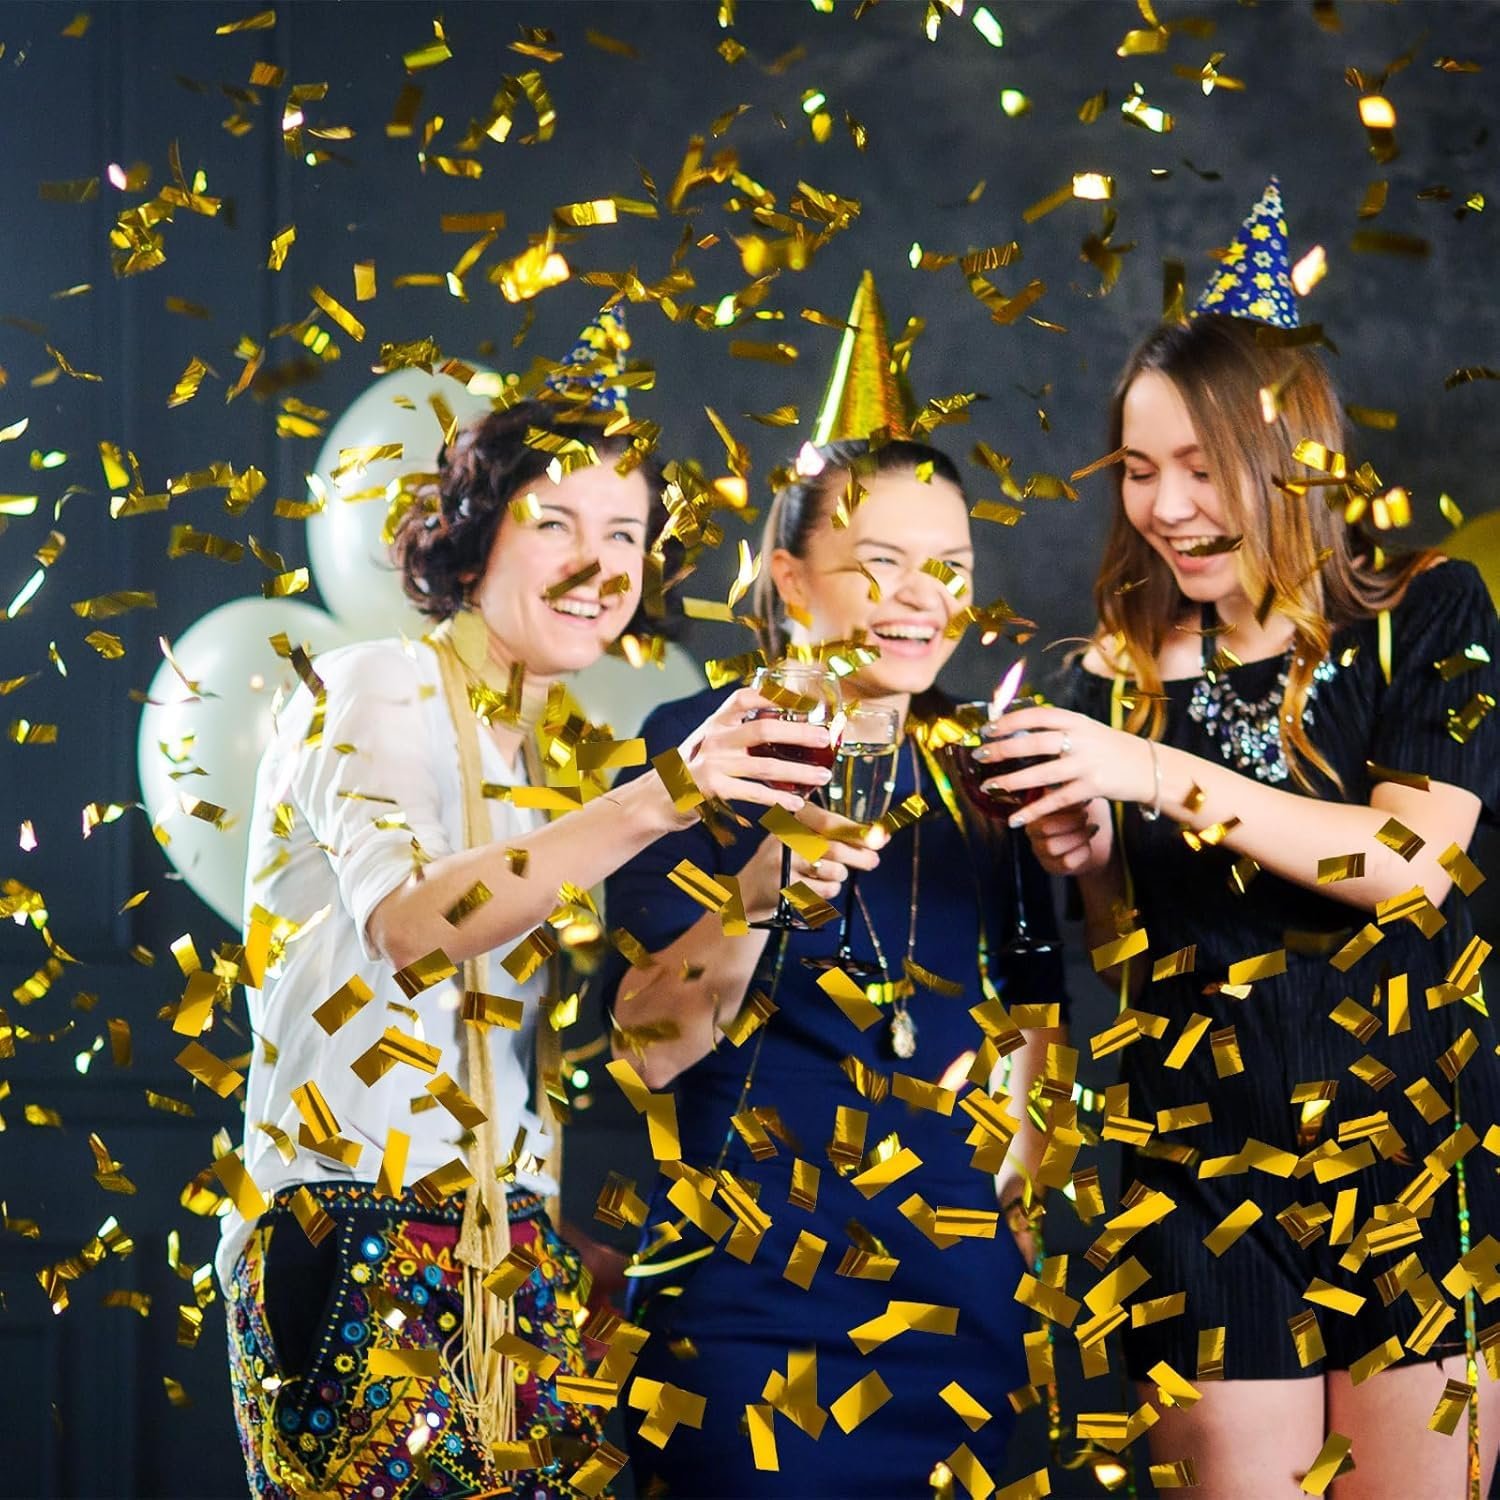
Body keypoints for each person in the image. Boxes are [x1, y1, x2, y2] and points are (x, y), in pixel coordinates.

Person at [216, 311, 837, 1500]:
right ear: (472, 540)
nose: (597, 564)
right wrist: (666, 794)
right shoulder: (375, 683)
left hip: (515, 1260)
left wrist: (549, 1236)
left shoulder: (551, 759)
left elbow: (566, 1043)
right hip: (353, 1234)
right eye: (555, 523)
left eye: (625, 533)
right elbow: (409, 927)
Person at [982, 184, 1500, 1497]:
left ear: (1292, 456)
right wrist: (1086, 856)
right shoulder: (1111, 677)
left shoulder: (1431, 614)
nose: (1165, 506)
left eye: (1202, 467)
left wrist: (1151, 774)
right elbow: (1124, 955)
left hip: (1408, 1163)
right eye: (1139, 468)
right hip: (1197, 1182)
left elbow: (1407, 864)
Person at [600, 273, 1068, 1497]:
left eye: (951, 566)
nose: (925, 599)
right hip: (750, 1309)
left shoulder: (986, 770)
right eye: (881, 563)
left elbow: (1038, 1009)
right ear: (791, 577)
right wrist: (767, 878)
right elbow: (649, 1045)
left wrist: (1015, 1199)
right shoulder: (699, 748)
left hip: (956, 1310)